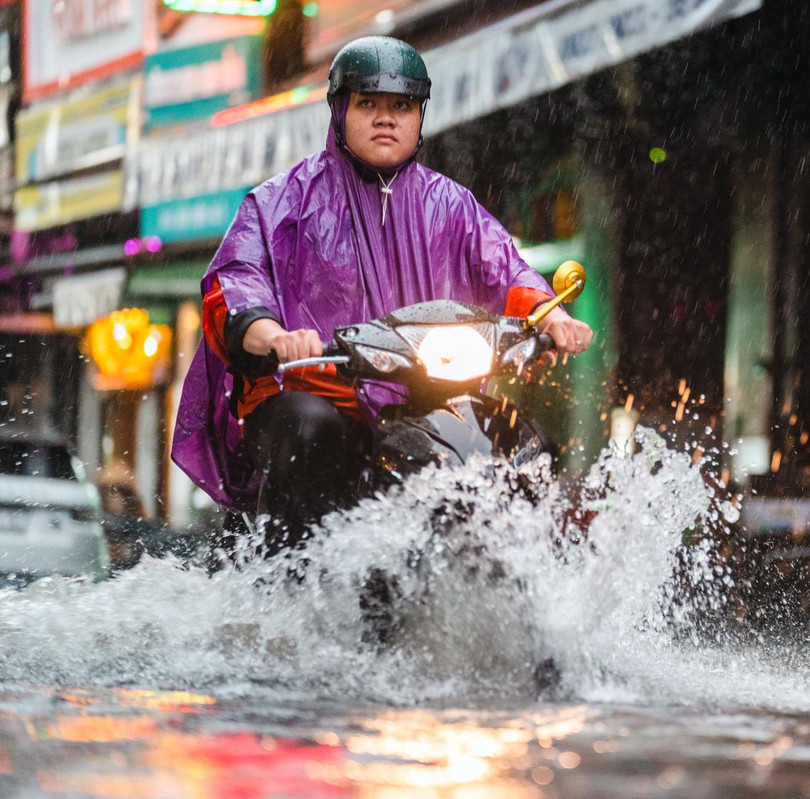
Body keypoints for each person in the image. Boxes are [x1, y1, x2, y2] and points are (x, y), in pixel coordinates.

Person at [172, 36, 592, 557]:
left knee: (514, 440)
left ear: (420, 117)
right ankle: (291, 586)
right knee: (313, 430)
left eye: (402, 105)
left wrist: (549, 317)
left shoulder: (451, 204)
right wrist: (274, 335)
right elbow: (235, 286)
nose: (386, 118)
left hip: (422, 392)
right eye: (368, 103)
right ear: (339, 109)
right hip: (312, 392)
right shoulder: (279, 202)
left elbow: (507, 267)